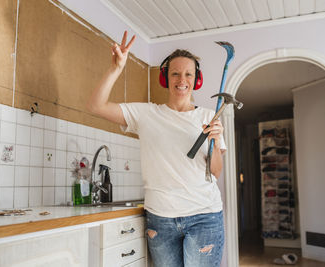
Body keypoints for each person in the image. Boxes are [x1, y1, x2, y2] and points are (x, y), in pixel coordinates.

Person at [88, 31, 226, 267]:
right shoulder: (146, 114)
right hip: (160, 220)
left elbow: (216, 172)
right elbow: (96, 105)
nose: (181, 79)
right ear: (165, 78)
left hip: (204, 217)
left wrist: (215, 141)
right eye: (175, 73)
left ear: (197, 79)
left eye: (188, 74)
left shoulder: (209, 116)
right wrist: (116, 68)